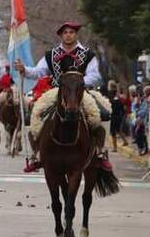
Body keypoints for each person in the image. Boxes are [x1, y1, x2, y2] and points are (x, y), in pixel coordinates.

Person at [14, 21, 110, 172]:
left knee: (102, 114)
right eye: (65, 32)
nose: (68, 35)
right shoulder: (51, 55)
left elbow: (95, 76)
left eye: (71, 32)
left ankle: (101, 153)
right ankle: (35, 155)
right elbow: (38, 72)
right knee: (34, 114)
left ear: (75, 34)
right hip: (57, 91)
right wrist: (24, 69)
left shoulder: (87, 54)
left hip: (80, 91)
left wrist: (77, 83)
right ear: (61, 35)